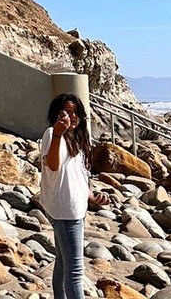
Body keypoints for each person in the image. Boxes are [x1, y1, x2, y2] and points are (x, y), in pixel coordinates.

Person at [40, 93, 110, 299]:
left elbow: (77, 175)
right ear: (56, 114)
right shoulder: (52, 134)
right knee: (75, 271)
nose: (72, 117)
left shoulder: (76, 137)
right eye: (67, 112)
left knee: (63, 263)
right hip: (65, 210)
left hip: (71, 206)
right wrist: (57, 135)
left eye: (76, 113)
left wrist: (92, 196)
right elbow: (53, 165)